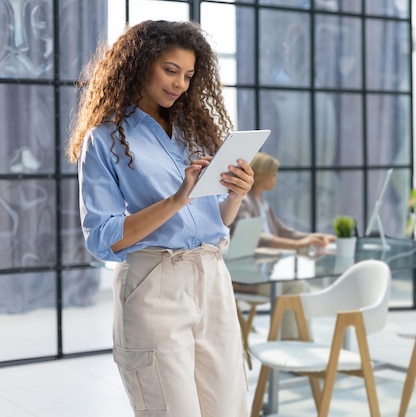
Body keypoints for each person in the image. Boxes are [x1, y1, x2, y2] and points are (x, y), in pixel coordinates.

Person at [65, 20, 252, 417]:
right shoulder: (105, 139)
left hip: (212, 279)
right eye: (170, 71)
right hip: (155, 285)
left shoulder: (194, 132)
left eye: (188, 75)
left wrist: (236, 194)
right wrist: (177, 198)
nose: (180, 84)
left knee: (228, 408)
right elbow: (103, 238)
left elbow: (215, 221)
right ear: (140, 65)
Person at [231, 152, 335, 339]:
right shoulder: (243, 203)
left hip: (266, 272)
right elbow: (256, 238)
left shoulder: (263, 204)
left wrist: (312, 237)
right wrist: (296, 245)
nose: (276, 179)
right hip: (249, 277)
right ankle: (293, 345)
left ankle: (297, 343)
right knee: (296, 287)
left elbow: (284, 232)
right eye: (273, 174)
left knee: (300, 288)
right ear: (262, 175)